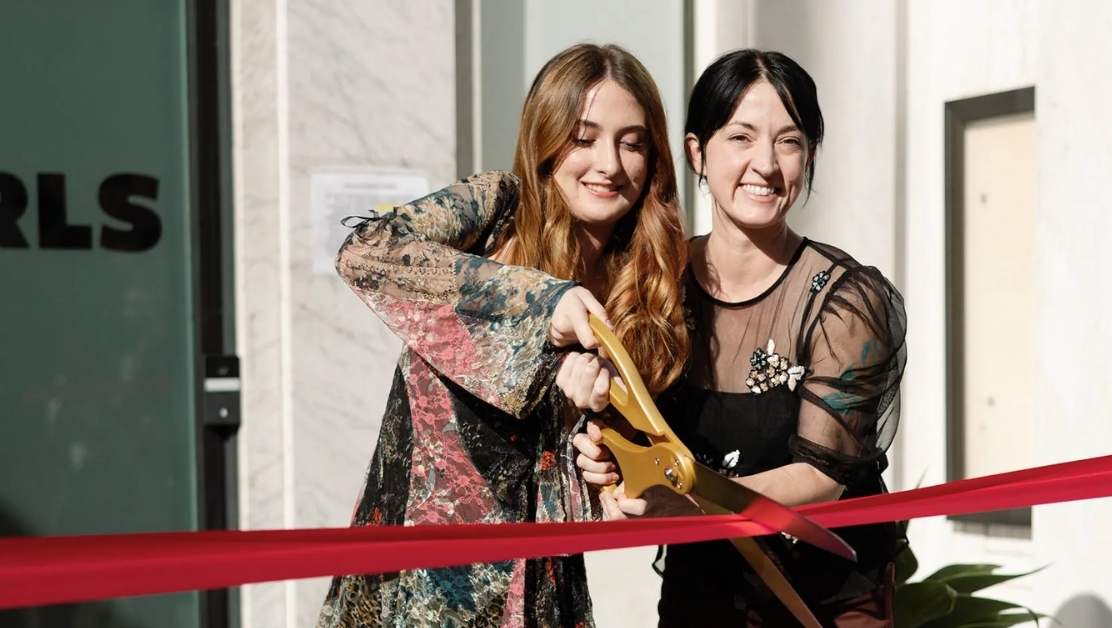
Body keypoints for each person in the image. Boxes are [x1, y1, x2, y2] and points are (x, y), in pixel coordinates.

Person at [317, 43, 690, 627]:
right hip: (420, 587)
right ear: (545, 140)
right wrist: (545, 306)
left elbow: (574, 483)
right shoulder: (496, 210)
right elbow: (365, 253)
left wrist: (606, 469)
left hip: (540, 591)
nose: (610, 164)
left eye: (632, 142)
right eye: (584, 137)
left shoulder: (642, 290)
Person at [564, 49, 907, 627]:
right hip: (703, 590)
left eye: (790, 142)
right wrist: (608, 461)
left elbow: (823, 478)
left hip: (828, 600)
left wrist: (686, 502)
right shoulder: (653, 284)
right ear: (698, 152)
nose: (766, 165)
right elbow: (636, 430)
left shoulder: (844, 301)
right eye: (741, 138)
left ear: (811, 156)